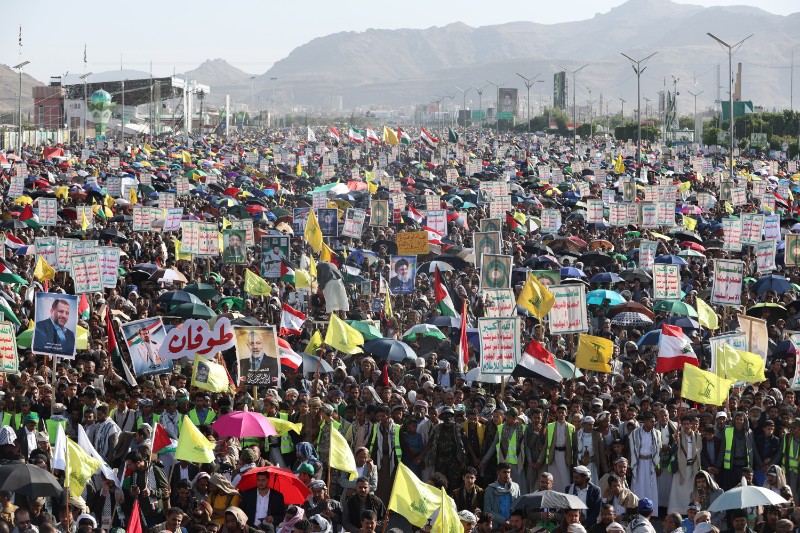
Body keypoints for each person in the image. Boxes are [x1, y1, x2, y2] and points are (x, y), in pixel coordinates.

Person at [668, 415, 702, 515]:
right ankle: (676, 511)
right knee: (677, 491)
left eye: (688, 424)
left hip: (693, 467)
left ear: (691, 424)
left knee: (690, 491)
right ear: (682, 425)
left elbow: (699, 451)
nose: (686, 426)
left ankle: (690, 511)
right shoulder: (677, 435)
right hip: (681, 467)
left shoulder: (697, 436)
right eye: (684, 424)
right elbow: (672, 451)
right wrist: (675, 441)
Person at [629, 413, 661, 516]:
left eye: (654, 421)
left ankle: (651, 512)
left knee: (651, 487)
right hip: (638, 463)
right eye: (652, 421)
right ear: (646, 422)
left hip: (651, 464)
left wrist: (658, 466)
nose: (654, 423)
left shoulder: (657, 433)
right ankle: (637, 511)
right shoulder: (635, 433)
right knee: (638, 486)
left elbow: (658, 451)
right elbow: (631, 450)